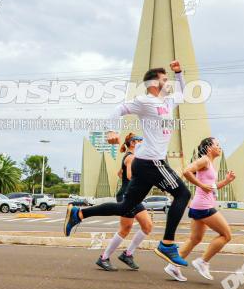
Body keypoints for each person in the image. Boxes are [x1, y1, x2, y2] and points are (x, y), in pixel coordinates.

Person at [64, 61, 192, 268]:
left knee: (125, 206)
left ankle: (79, 213)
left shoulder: (168, 102)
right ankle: (167, 244)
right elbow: (118, 109)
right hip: (152, 161)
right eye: (164, 79)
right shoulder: (145, 101)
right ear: (153, 83)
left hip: (145, 163)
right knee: (183, 195)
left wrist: (178, 73)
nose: (168, 83)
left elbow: (183, 94)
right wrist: (111, 131)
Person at [170, 137, 235, 281]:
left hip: (200, 205)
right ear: (209, 148)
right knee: (226, 235)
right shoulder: (204, 160)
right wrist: (200, 185)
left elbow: (210, 187)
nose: (220, 147)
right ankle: (202, 262)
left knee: (195, 238)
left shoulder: (209, 163)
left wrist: (226, 181)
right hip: (204, 206)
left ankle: (173, 266)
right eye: (217, 145)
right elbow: (187, 171)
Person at [94, 133, 152, 271]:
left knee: (147, 226)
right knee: (126, 228)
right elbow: (131, 176)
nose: (142, 143)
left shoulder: (131, 157)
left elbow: (120, 173)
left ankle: (127, 254)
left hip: (133, 195)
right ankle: (103, 258)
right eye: (140, 140)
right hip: (128, 196)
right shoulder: (131, 157)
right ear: (133, 143)